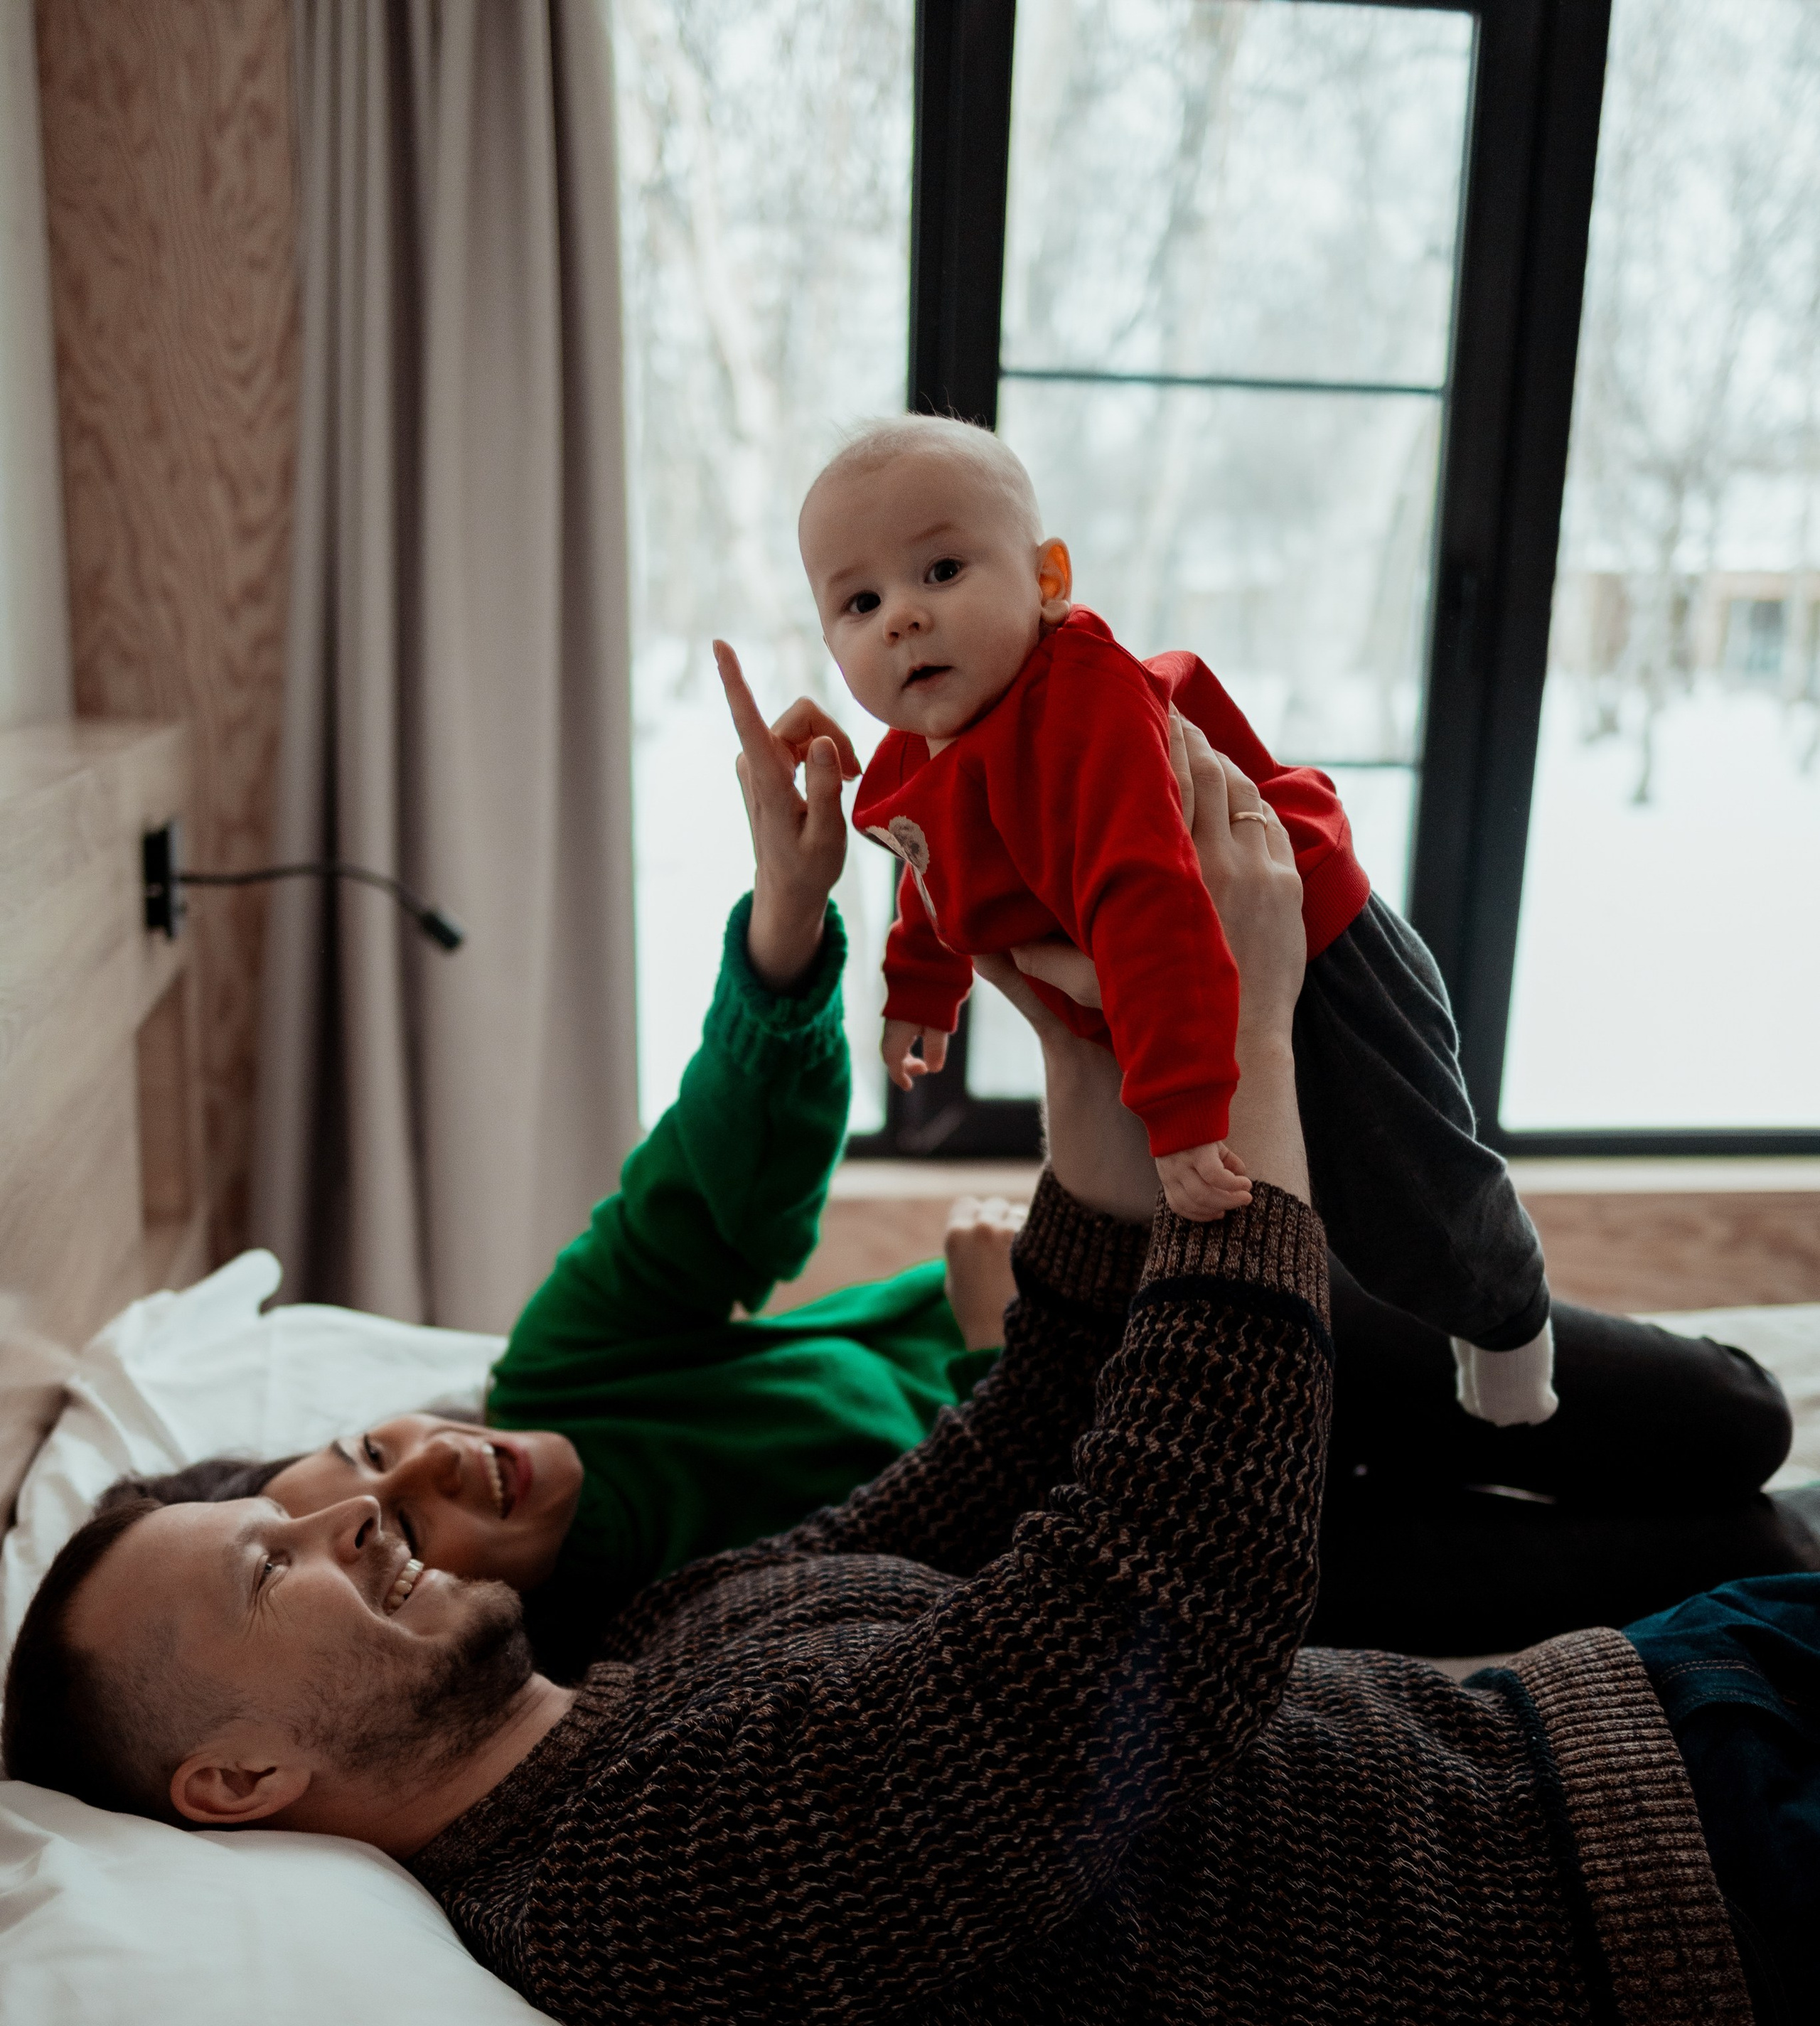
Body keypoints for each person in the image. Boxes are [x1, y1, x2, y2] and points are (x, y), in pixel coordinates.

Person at [5, 733, 1811, 2026]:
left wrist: (1089, 1071)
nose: (345, 1514)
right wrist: (1240, 1057)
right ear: (235, 1779)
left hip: (1625, 1722)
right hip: (1693, 1904)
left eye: (312, 1498)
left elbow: (1011, 1451)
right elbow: (1161, 1609)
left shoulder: (641, 1657)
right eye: (271, 1567)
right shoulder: (635, 1905)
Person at [104, 673, 1806, 1666]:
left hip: (1176, 1292)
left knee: (1728, 1418)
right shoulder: (672, 1636)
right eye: (407, 1529)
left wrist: (790, 917)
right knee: (1736, 1557)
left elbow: (729, 1172)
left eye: (377, 1450)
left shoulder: (564, 1370)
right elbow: (997, 1608)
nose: (437, 1463)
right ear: (431, 1610)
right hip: (1186, 1516)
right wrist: (1008, 1345)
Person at [800, 410, 1554, 1423]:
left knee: (1410, 1200)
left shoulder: (1085, 706)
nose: (902, 617)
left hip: (1322, 953)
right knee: (1313, 1216)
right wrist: (921, 990)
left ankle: (1514, 1326)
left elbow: (1150, 903)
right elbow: (933, 869)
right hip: (1182, 987)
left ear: (1048, 580)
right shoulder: (915, 755)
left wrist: (1188, 1112)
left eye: (941, 571)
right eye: (861, 601)